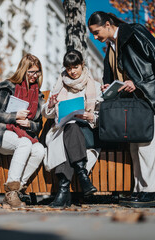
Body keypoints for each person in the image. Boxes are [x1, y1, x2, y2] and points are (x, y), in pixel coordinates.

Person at [88, 11, 155, 208]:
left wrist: (136, 83)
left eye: (96, 32)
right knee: (135, 145)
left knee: (149, 143)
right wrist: (109, 85)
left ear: (107, 24)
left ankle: (153, 191)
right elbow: (118, 73)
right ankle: (141, 190)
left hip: (150, 96)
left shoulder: (134, 32)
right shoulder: (111, 47)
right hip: (134, 101)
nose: (95, 37)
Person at [0, 53, 46, 208]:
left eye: (37, 72)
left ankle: (14, 192)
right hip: (0, 133)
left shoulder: (38, 94)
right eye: (31, 72)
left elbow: (38, 125)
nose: (34, 75)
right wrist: (14, 116)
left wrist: (29, 124)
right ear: (23, 70)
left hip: (24, 134)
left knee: (39, 150)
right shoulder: (7, 86)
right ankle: (11, 192)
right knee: (24, 143)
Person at [42, 49, 102, 208]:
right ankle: (82, 176)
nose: (72, 71)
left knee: (71, 132)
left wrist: (91, 117)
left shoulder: (94, 85)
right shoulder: (59, 86)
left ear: (82, 65)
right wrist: (51, 105)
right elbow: (47, 114)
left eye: (75, 67)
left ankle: (63, 192)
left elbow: (102, 114)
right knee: (70, 128)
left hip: (87, 132)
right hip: (63, 130)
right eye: (68, 68)